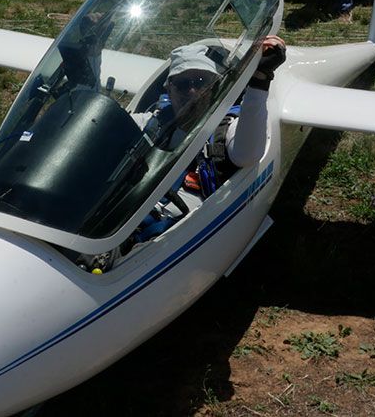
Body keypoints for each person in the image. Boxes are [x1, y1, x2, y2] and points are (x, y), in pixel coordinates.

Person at [82, 35, 286, 272]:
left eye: (201, 82)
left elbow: (247, 155)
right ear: (168, 88)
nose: (192, 91)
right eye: (182, 84)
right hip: (126, 220)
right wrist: (87, 57)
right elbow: (98, 126)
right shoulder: (152, 123)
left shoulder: (227, 128)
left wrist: (260, 81)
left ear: (215, 87)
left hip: (171, 238)